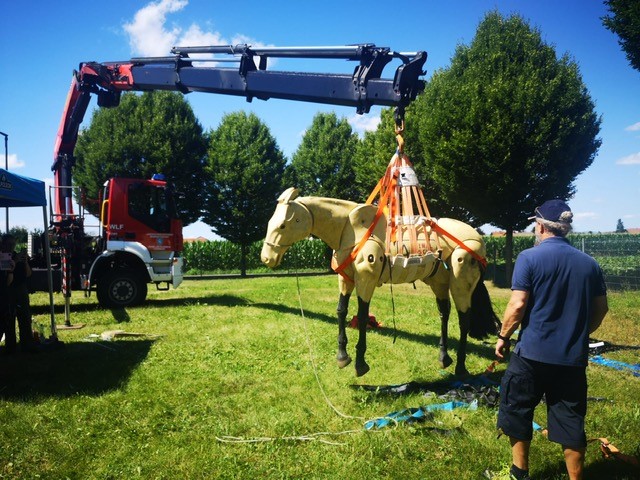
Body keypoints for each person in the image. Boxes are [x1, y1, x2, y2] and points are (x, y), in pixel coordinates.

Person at [494, 199, 609, 480]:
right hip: (571, 358)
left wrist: (503, 337)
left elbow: (518, 305)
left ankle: (519, 473)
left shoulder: (529, 258)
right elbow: (601, 308)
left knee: (517, 410)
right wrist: (581, 332)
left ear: (541, 226)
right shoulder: (589, 264)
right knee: (571, 419)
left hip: (530, 356)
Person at [1, 234, 37, 353]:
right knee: (9, 319)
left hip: (21, 288)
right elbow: (6, 275)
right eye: (9, 244)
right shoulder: (3, 257)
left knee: (25, 317)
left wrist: (25, 262)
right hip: (9, 290)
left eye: (13, 244)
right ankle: (11, 346)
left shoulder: (16, 256)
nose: (11, 247)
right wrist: (14, 262)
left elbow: (28, 274)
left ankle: (27, 344)